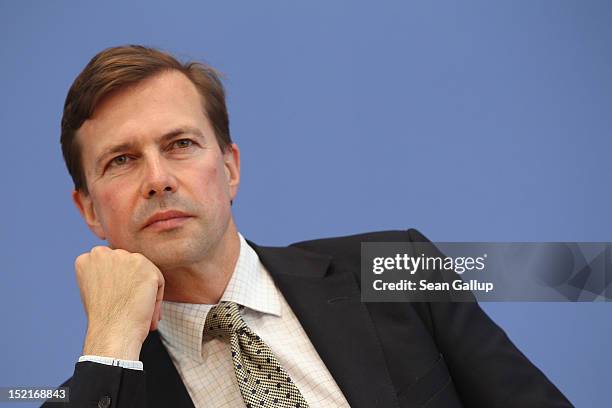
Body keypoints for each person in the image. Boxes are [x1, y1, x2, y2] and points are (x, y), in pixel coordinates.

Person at [43, 45, 572, 408]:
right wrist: (111, 341)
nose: (158, 179)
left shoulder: (398, 270)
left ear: (229, 168)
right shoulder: (105, 388)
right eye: (121, 161)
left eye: (180, 145)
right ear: (88, 209)